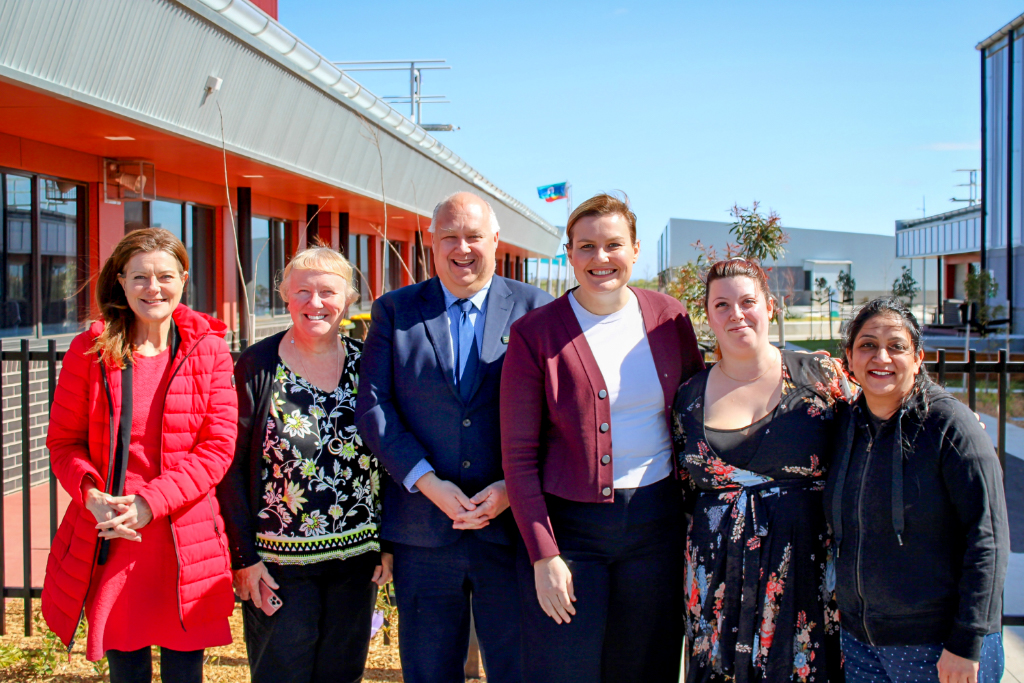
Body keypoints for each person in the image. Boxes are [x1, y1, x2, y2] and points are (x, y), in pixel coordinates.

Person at [501, 193, 705, 683]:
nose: (601, 258)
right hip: (571, 532)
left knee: (646, 665)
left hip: (656, 525)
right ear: (569, 253)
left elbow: (697, 410)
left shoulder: (669, 318)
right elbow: (519, 456)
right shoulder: (535, 333)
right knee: (565, 667)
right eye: (586, 246)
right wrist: (544, 553)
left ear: (635, 250)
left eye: (613, 245)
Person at [355, 191, 552, 683]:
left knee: (519, 668)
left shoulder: (536, 309)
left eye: (473, 237)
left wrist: (512, 488)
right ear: (430, 242)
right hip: (423, 531)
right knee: (428, 670)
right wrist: (427, 482)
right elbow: (374, 408)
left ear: (495, 241)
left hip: (511, 530)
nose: (462, 248)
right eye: (450, 237)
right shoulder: (395, 311)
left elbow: (559, 412)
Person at [42, 228, 237, 683]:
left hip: (183, 535)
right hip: (114, 535)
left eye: (165, 276)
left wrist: (151, 503)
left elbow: (217, 447)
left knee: (184, 672)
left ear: (184, 280)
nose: (154, 289)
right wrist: (90, 496)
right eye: (140, 278)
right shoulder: (89, 350)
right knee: (126, 672)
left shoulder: (208, 349)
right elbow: (63, 442)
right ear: (121, 282)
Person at [217, 246, 391, 683]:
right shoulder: (257, 366)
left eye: (328, 292)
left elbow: (391, 456)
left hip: (357, 559)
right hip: (278, 566)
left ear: (348, 298)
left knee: (341, 673)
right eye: (303, 292)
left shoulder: (368, 363)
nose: (316, 303)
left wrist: (389, 544)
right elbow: (230, 469)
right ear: (285, 297)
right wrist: (244, 558)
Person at [673, 258, 847, 683]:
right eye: (722, 305)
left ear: (771, 306)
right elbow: (681, 491)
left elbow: (877, 427)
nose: (736, 314)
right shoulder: (688, 397)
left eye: (748, 301)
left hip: (805, 575)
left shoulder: (819, 376)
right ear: (708, 315)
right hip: (716, 581)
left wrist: (939, 418)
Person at [824, 297, 1009, 683]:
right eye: (868, 345)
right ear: (850, 359)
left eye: (896, 346)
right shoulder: (844, 426)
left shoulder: (951, 426)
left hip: (939, 647)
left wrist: (966, 641)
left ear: (918, 358)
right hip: (860, 644)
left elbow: (988, 539)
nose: (882, 357)